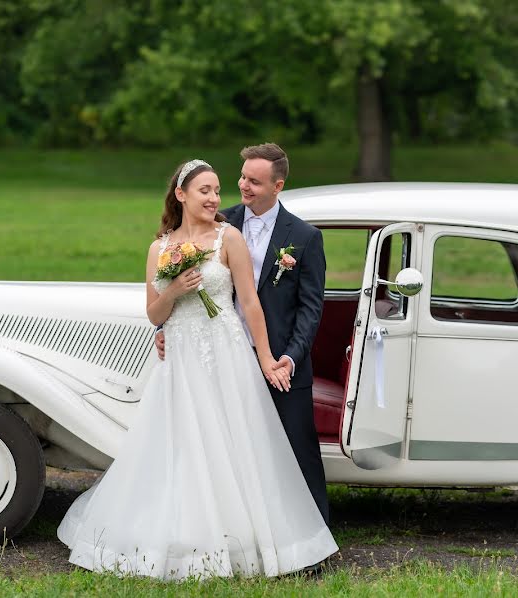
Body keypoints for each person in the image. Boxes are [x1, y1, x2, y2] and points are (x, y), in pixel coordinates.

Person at [57, 159, 338, 580]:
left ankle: (252, 537)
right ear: (181, 194)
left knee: (237, 444)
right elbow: (155, 315)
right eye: (204, 190)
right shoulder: (159, 248)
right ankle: (184, 535)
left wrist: (264, 358)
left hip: (227, 354)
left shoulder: (231, 238)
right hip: (181, 358)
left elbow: (250, 304)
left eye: (217, 190)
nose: (214, 197)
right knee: (182, 445)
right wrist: (174, 288)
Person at [155, 143, 330, 525]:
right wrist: (164, 326)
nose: (243, 186)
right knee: (227, 450)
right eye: (242, 177)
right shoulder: (219, 222)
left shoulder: (303, 236)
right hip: (220, 354)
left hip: (279, 358)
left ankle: (313, 534)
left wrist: (290, 357)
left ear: (277, 185)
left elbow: (310, 308)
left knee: (297, 450)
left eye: (254, 181)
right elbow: (183, 287)